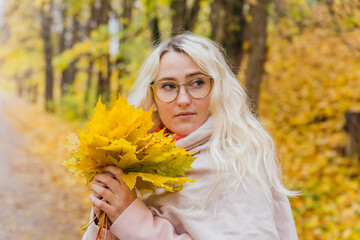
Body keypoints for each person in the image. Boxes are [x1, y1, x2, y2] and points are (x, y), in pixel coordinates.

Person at [82, 32, 298, 240]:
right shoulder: (137, 159)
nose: (183, 99)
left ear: (216, 88)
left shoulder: (239, 160)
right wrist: (108, 211)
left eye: (197, 83)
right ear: (153, 95)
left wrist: (135, 221)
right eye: (168, 86)